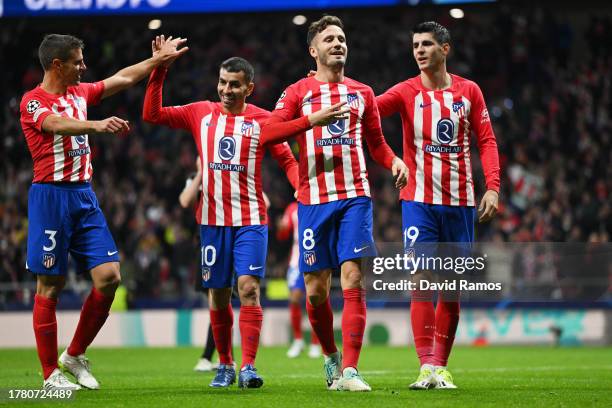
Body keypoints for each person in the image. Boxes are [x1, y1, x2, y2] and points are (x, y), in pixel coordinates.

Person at [19, 33, 186, 390]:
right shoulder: (33, 101)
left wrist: (157, 61)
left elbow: (123, 78)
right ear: (57, 65)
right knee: (50, 285)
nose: (84, 67)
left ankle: (74, 355)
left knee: (110, 277)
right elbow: (53, 125)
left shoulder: (80, 93)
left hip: (84, 196)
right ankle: (50, 374)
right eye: (78, 61)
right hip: (50, 198)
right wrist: (97, 125)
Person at [260, 15, 408, 392]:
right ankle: (330, 356)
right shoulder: (297, 92)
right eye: (329, 39)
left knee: (353, 277)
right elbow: (268, 133)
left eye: (342, 38)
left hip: (355, 197)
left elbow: (376, 143)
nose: (338, 43)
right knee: (315, 290)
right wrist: (311, 120)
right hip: (313, 201)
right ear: (314, 50)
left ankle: (352, 371)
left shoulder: (363, 93)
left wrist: (393, 161)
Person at [143, 44, 299, 388]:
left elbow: (288, 160)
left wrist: (299, 187)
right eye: (223, 82)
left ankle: (249, 367)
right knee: (217, 294)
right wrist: (160, 69)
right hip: (212, 222)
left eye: (234, 85)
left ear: (249, 88)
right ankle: (225, 365)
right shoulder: (201, 113)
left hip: (250, 219)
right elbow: (152, 115)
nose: (227, 90)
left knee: (248, 289)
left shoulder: (263, 120)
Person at [376, 21, 500, 389]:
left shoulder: (469, 92)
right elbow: (369, 110)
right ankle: (426, 366)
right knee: (421, 278)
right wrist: (328, 86)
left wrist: (492, 187)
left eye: (427, 44)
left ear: (445, 49)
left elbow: (487, 141)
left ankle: (441, 367)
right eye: (415, 45)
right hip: (418, 201)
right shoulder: (404, 91)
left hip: (460, 203)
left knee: (450, 286)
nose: (419, 50)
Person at [276, 201, 321, 359]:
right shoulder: (292, 208)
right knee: (294, 298)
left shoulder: (317, 202)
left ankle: (316, 343)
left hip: (315, 256)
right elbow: (283, 235)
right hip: (296, 259)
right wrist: (281, 228)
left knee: (314, 299)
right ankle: (298, 340)